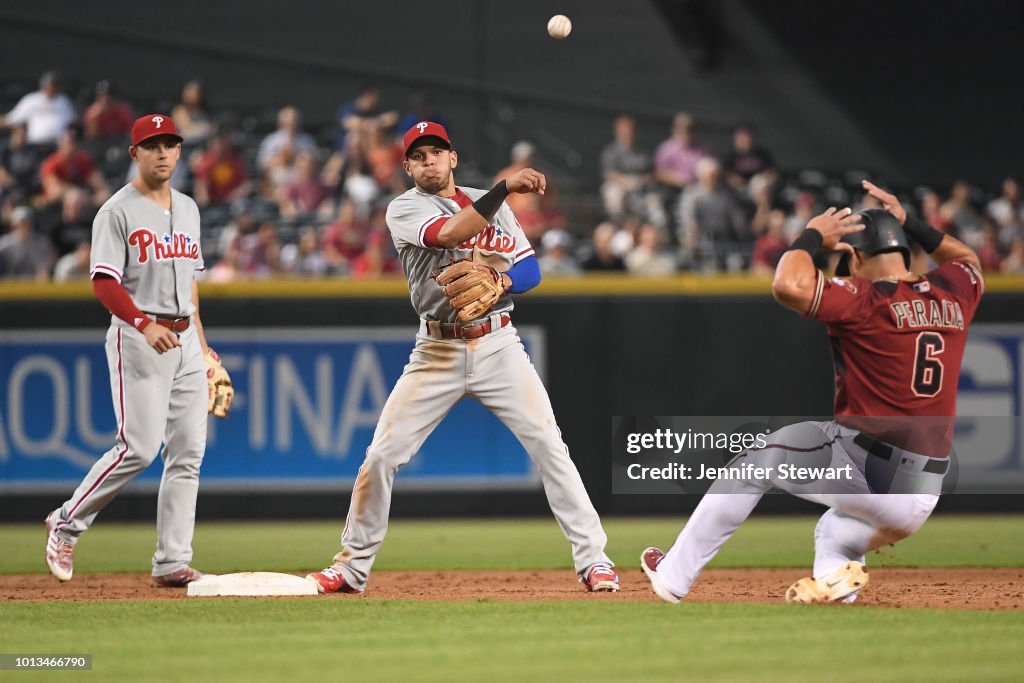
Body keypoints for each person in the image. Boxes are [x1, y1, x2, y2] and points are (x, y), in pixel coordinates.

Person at [306, 122, 619, 595]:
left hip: (498, 345)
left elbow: (529, 267)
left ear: (452, 157)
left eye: (437, 152)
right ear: (407, 166)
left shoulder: (490, 202)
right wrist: (504, 189)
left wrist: (504, 283)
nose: (429, 161)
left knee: (549, 444)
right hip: (436, 349)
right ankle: (350, 569)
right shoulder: (405, 208)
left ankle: (595, 560)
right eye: (418, 156)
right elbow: (453, 230)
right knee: (383, 455)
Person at [641, 179, 983, 605]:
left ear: (857, 256)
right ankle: (838, 586)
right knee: (834, 534)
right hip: (923, 494)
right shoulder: (954, 294)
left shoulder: (866, 300)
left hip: (868, 468)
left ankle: (672, 577)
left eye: (848, 260)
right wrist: (910, 222)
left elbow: (788, 285)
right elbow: (968, 259)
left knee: (754, 461)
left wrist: (812, 235)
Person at [44, 114, 232, 588]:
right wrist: (143, 324)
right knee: (140, 448)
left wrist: (206, 353)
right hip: (139, 336)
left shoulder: (188, 207)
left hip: (185, 338)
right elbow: (104, 282)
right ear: (135, 154)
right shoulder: (116, 211)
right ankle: (66, 522)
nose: (164, 153)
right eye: (153, 146)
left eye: (171, 144)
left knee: (189, 451)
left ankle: (172, 561)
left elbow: (190, 288)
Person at [0, 71, 76, 145]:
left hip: (58, 146)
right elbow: (11, 119)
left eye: (54, 85)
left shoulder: (64, 101)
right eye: (48, 84)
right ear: (43, 86)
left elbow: (73, 122)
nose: (51, 87)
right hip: (35, 145)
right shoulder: (32, 99)